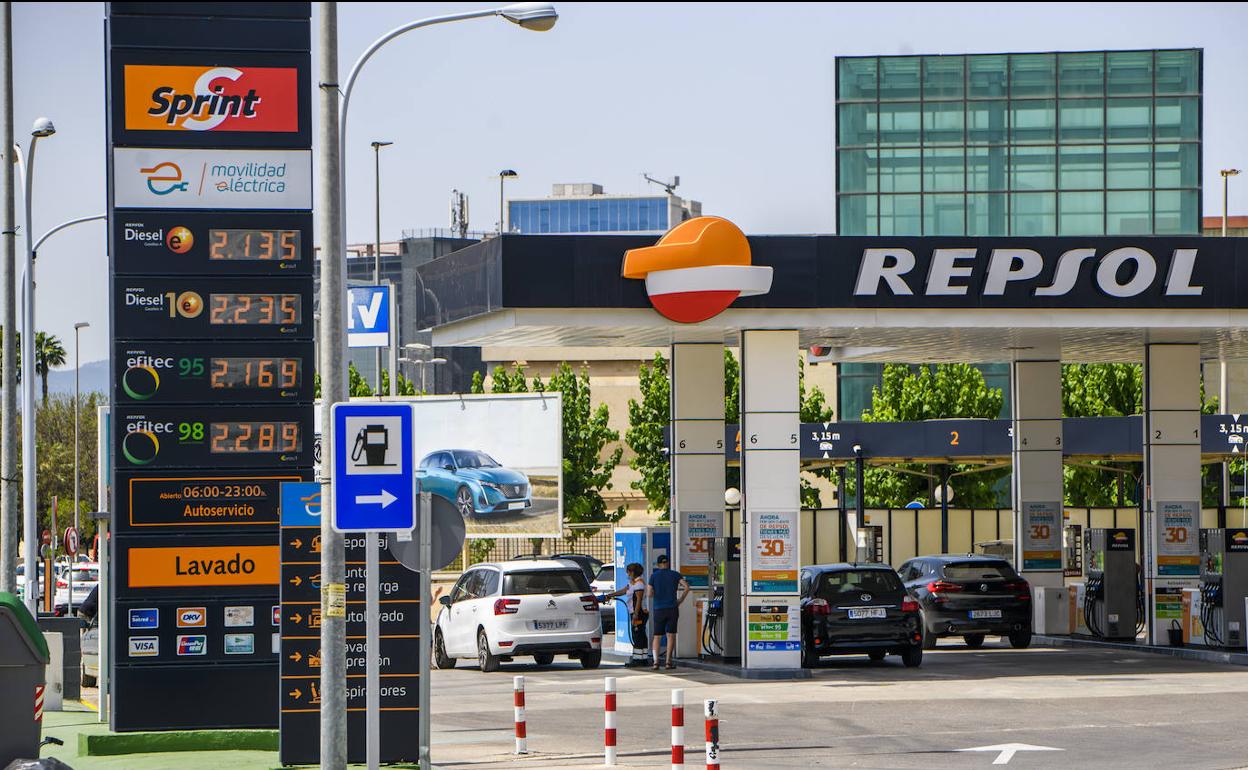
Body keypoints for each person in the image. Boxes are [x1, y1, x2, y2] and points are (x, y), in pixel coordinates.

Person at [647, 554, 689, 670]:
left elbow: (649, 593)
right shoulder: (675, 574)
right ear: (668, 563)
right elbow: (686, 587)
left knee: (657, 636)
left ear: (658, 564)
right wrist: (680, 600)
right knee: (671, 635)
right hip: (672, 608)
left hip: (659, 609)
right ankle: (668, 662)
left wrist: (656, 593)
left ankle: (655, 662)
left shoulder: (653, 576)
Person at [601, 563, 648, 666]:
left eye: (628, 572)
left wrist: (635, 614)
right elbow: (624, 591)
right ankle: (643, 658)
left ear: (632, 572)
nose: (627, 574)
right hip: (635, 612)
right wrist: (610, 595)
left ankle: (638, 660)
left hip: (639, 613)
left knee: (638, 635)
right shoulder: (633, 583)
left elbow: (638, 600)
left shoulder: (639, 584)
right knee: (639, 634)